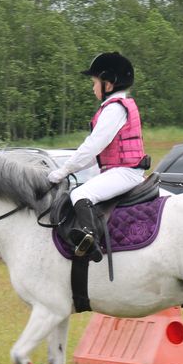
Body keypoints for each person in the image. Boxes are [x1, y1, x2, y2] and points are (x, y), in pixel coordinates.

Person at [47, 52, 149, 257]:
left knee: (80, 194)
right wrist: (70, 169)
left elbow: (93, 146)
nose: (93, 87)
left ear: (108, 85)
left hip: (125, 172)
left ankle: (91, 239)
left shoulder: (115, 109)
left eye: (94, 82)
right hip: (120, 171)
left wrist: (63, 171)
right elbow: (97, 155)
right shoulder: (116, 107)